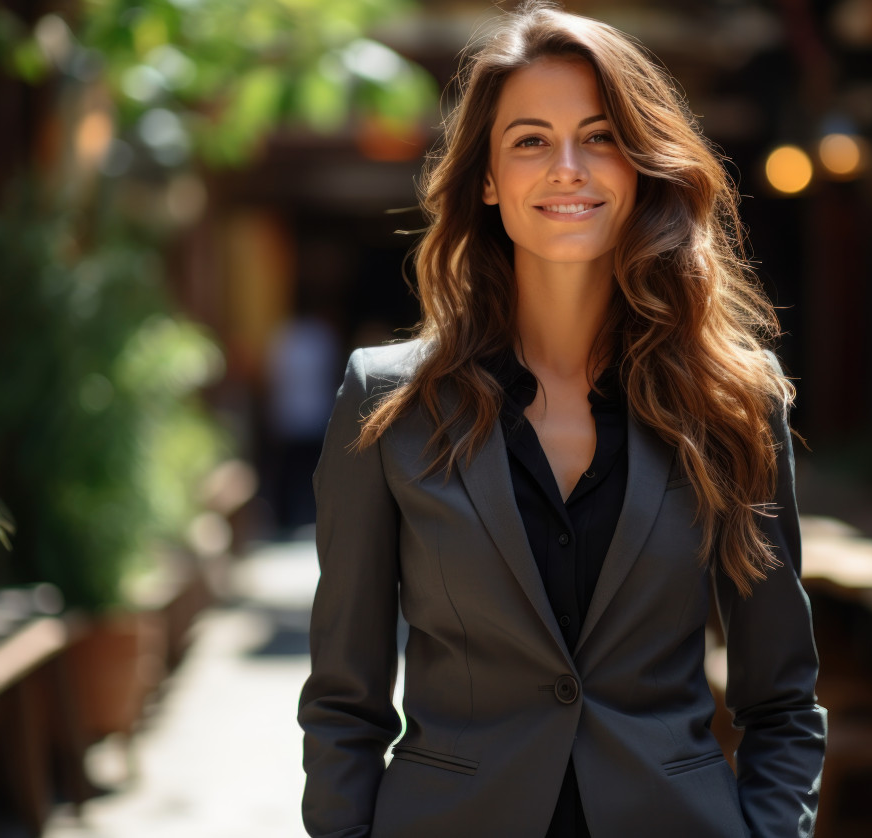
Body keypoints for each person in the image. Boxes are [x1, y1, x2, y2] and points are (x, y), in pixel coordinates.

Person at [297, 2, 826, 836]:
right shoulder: (386, 400)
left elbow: (783, 700)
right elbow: (343, 701)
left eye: (601, 136)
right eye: (531, 140)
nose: (568, 168)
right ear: (487, 178)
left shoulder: (732, 399)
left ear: (641, 164)